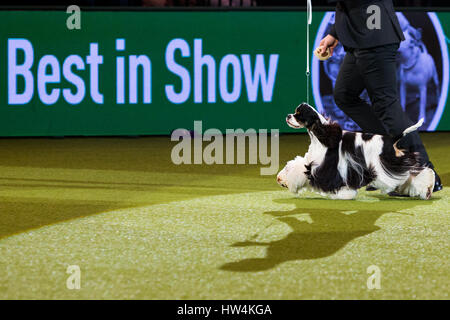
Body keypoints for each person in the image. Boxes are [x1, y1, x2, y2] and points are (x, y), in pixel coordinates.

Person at [318, 0, 442, 192]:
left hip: (374, 39)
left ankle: (425, 171)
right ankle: (388, 158)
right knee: (344, 94)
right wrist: (334, 33)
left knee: (386, 104)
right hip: (361, 39)